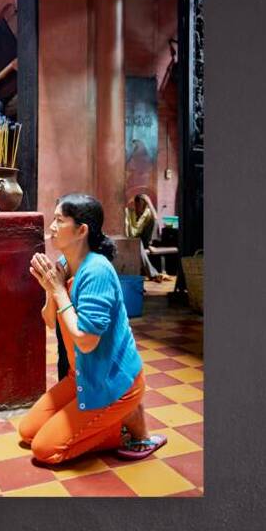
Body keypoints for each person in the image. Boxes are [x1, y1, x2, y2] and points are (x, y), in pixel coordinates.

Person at [19, 193, 167, 465]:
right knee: (27, 432)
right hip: (83, 377)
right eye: (53, 219)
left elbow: (86, 342)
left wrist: (59, 293)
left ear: (82, 230)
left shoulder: (96, 271)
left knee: (45, 450)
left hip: (111, 382)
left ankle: (120, 429)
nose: (52, 226)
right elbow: (50, 321)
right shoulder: (65, 266)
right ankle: (111, 421)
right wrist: (50, 291)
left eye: (60, 220)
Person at [125, 193, 169, 282]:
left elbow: (156, 219)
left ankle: (149, 244)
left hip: (143, 240)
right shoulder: (128, 212)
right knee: (138, 243)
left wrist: (149, 202)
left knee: (152, 222)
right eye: (138, 205)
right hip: (130, 240)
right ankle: (153, 274)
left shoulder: (147, 213)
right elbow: (126, 230)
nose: (140, 208)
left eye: (143, 206)